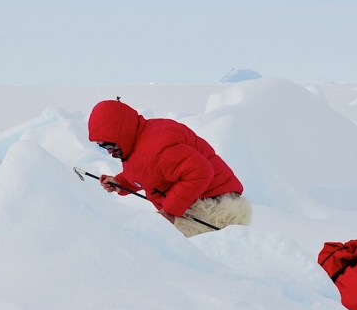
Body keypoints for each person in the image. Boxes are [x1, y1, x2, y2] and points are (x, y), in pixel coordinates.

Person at [88, 98, 252, 237]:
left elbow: (200, 172)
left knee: (164, 247)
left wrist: (169, 212)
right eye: (102, 146)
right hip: (202, 204)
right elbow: (149, 172)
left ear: (120, 131)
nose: (108, 150)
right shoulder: (139, 138)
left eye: (109, 144)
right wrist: (119, 182)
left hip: (214, 210)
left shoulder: (159, 147)